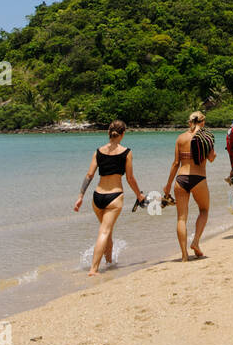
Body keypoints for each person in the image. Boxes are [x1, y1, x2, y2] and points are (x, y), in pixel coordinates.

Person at [73, 120, 147, 276]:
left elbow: (89, 175)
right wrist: (139, 195)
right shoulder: (126, 152)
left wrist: (80, 197)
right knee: (104, 232)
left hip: (97, 197)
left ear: (109, 133)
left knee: (107, 231)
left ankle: (109, 262)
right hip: (114, 197)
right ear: (123, 133)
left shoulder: (98, 151)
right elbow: (130, 178)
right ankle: (94, 269)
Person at [162, 111, 215, 261]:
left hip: (181, 178)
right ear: (202, 122)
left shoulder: (180, 138)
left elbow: (175, 163)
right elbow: (211, 158)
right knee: (204, 210)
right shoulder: (205, 137)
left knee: (181, 218)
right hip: (199, 178)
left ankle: (184, 256)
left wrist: (168, 185)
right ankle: (196, 241)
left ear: (189, 122)